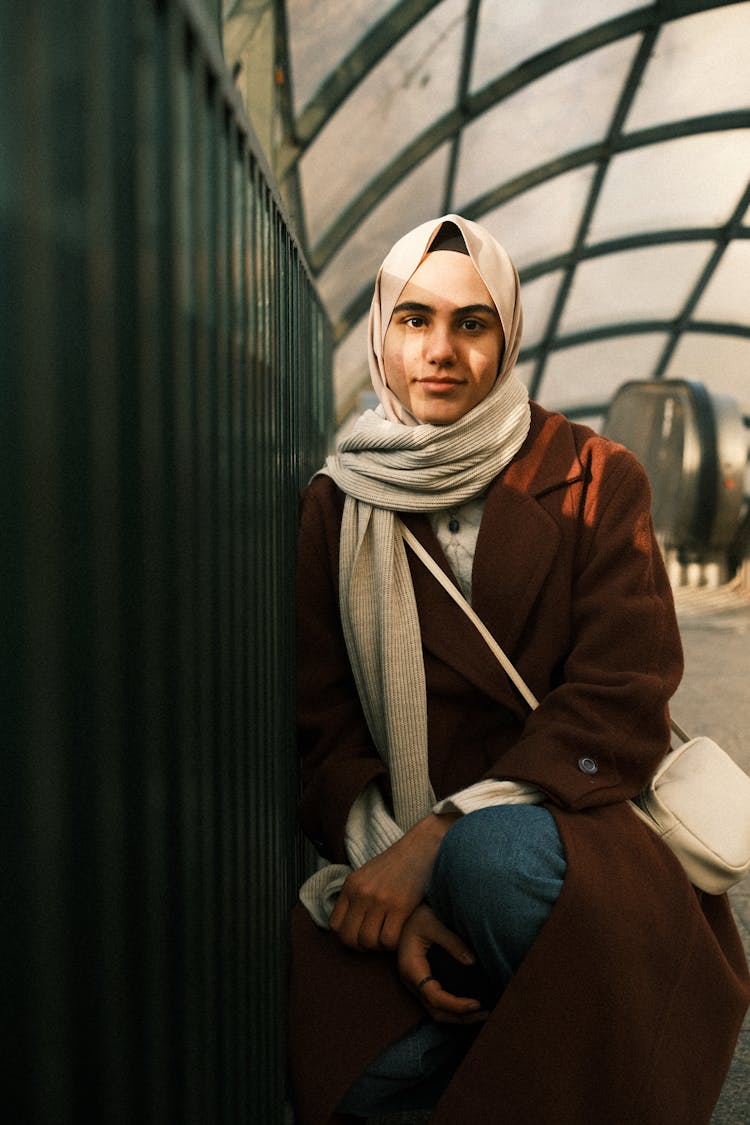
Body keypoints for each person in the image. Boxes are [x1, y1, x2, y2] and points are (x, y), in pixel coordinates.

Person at [289, 214, 750, 1125]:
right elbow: (325, 727)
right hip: (402, 849)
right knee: (352, 1073)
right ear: (381, 330)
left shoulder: (593, 473)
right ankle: (552, 1037)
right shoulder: (337, 503)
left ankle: (549, 1037)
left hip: (565, 834)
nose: (440, 349)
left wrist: (443, 838)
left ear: (508, 336)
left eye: (472, 322)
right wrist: (398, 877)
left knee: (490, 859)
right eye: (414, 319)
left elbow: (621, 699)